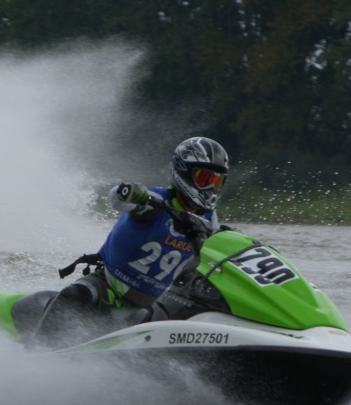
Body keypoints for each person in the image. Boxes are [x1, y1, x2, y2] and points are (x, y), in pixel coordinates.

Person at [31, 136, 229, 348]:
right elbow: (117, 199)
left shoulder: (211, 221)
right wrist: (130, 192)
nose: (210, 189)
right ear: (183, 172)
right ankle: (34, 354)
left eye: (216, 182)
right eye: (204, 179)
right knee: (74, 294)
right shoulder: (154, 201)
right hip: (108, 288)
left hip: (155, 304)